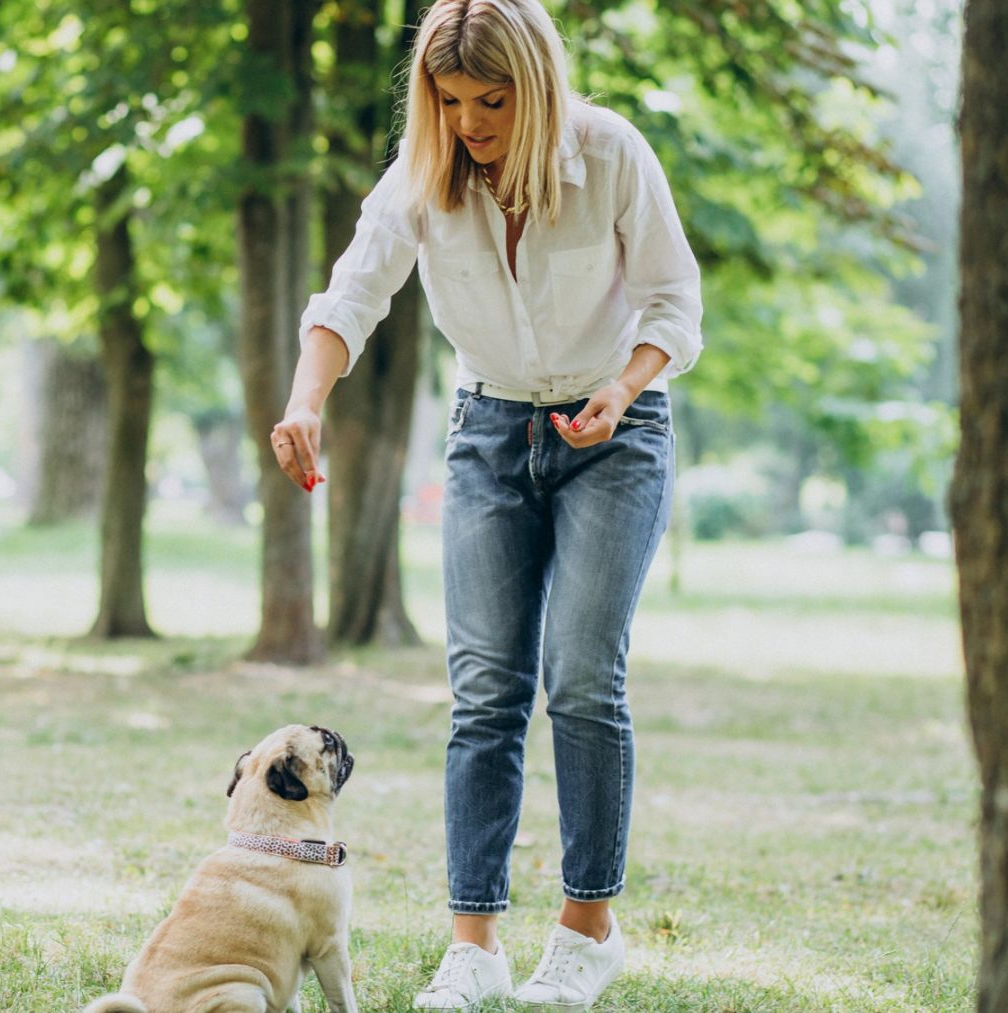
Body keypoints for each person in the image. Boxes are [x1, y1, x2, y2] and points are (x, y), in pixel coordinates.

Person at [270, 0, 702, 1008]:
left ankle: (588, 928)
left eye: (492, 99)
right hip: (489, 435)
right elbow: (351, 294)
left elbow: (676, 300)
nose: (469, 120)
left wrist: (625, 386)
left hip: (616, 434)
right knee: (485, 692)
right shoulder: (424, 175)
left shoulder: (611, 155)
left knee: (585, 676)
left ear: (538, 87)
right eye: (450, 97)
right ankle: (475, 945)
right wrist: (305, 401)